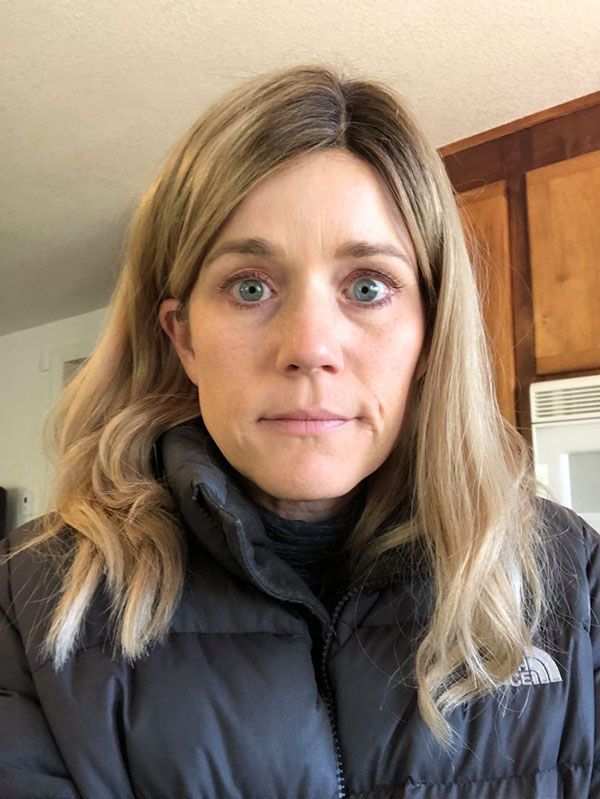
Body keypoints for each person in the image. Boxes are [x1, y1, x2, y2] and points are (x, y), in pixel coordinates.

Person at [0, 64, 598, 799]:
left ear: (430, 332)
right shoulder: (28, 604)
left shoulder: (574, 576)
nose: (310, 346)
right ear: (184, 338)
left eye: (368, 286)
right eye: (250, 286)